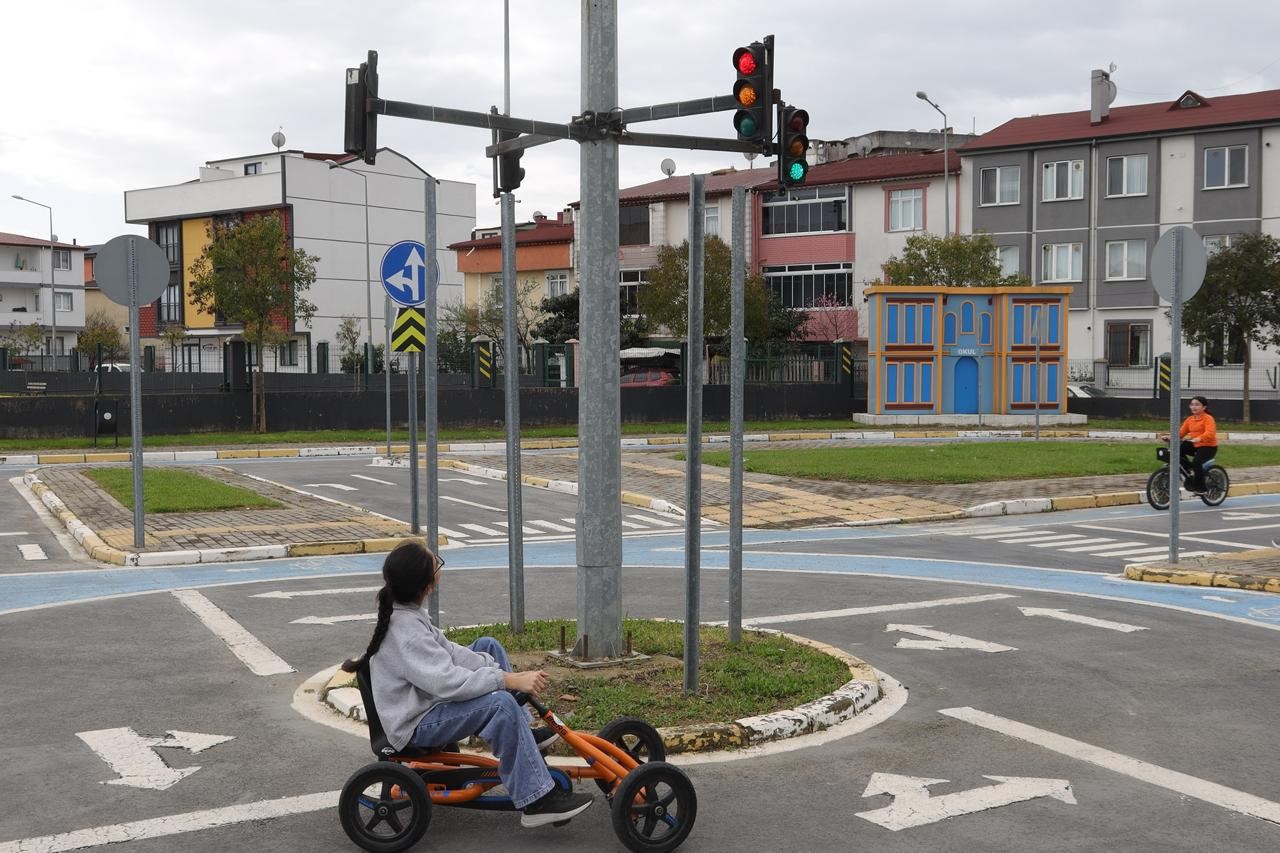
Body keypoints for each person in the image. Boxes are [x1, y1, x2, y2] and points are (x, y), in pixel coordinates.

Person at [341, 540, 594, 828]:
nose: (440, 564)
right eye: (437, 562)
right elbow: (448, 683)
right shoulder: (408, 633)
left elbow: (450, 653)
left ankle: (521, 730)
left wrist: (491, 667)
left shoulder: (407, 615)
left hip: (423, 702)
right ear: (427, 587)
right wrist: (506, 679)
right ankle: (537, 800)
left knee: (489, 647)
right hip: (413, 723)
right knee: (500, 704)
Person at [1161, 395, 1218, 494]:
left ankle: (1201, 488)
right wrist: (1170, 437)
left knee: (1197, 462)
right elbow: (1180, 433)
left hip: (1208, 446)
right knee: (1177, 450)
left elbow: (1210, 433)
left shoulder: (1208, 418)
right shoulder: (1190, 419)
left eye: (1197, 405)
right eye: (1192, 405)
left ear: (1204, 407)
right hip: (1195, 445)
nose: (1194, 407)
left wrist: (1199, 438)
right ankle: (1188, 469)